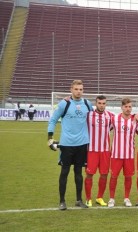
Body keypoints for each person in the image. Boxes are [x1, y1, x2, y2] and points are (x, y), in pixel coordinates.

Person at [47, 80, 93, 210]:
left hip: (82, 144)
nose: (79, 91)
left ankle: (79, 200)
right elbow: (53, 120)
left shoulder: (87, 104)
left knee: (79, 173)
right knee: (64, 172)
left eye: (81, 89)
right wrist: (50, 138)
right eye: (76, 89)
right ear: (71, 89)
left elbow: (95, 118)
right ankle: (62, 201)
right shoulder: (64, 103)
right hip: (66, 144)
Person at [84, 95, 114, 207]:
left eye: (104, 103)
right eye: (99, 103)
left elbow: (124, 118)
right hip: (92, 150)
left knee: (104, 174)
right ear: (96, 103)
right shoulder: (89, 115)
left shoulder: (110, 116)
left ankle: (99, 197)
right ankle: (88, 198)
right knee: (89, 174)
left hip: (105, 151)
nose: (101, 105)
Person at [107, 98, 137, 208]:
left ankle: (126, 198)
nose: (128, 109)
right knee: (114, 176)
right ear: (121, 107)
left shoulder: (135, 120)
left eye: (130, 107)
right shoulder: (114, 119)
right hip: (116, 154)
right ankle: (111, 198)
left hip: (129, 154)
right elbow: (106, 130)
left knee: (128, 177)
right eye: (126, 107)